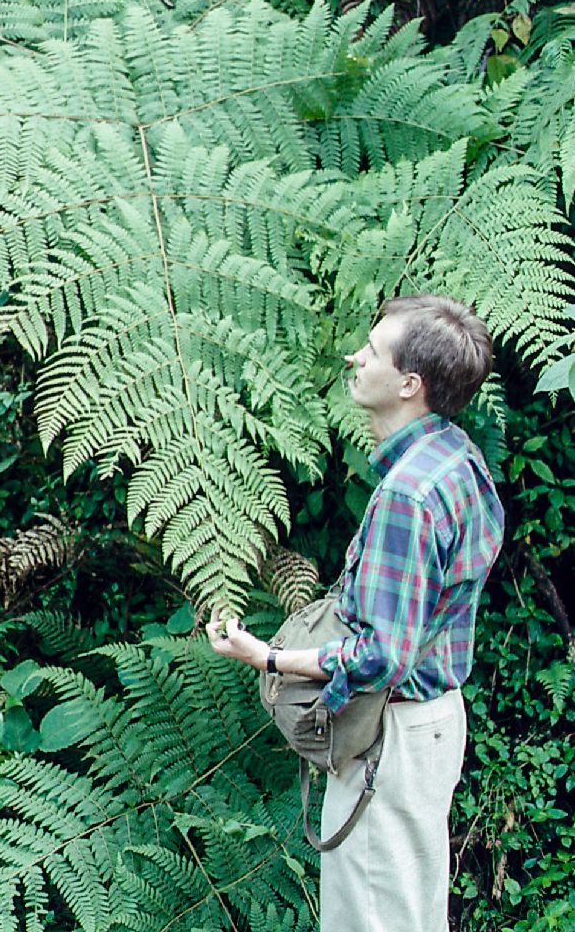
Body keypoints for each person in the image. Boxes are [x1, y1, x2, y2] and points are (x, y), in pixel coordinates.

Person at [206, 294, 504, 932]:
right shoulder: (459, 458)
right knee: (411, 913)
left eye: (372, 350)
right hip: (434, 724)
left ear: (409, 384)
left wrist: (269, 658)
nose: (354, 357)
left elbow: (381, 656)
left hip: (391, 739)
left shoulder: (407, 495)